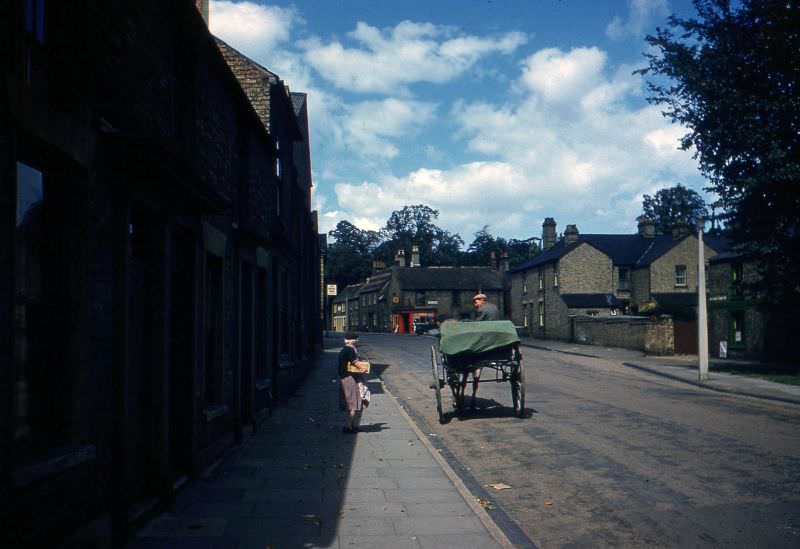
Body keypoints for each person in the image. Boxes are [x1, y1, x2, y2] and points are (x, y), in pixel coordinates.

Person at [338, 332, 370, 434]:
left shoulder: (346, 349)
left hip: (346, 378)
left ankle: (351, 425)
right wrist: (364, 368)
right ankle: (348, 427)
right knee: (353, 403)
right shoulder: (349, 349)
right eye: (357, 339)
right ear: (354, 340)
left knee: (353, 403)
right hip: (349, 379)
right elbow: (356, 363)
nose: (358, 341)